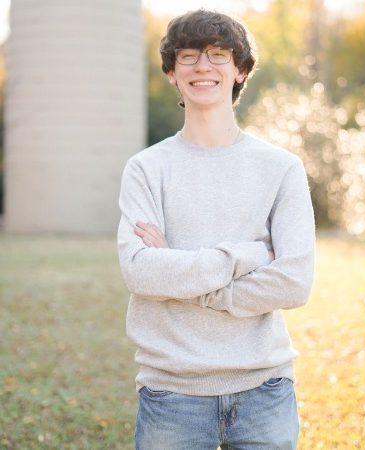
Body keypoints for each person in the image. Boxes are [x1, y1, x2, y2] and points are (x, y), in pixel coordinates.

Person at [117, 8, 316, 450]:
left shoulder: (281, 168)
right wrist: (248, 256)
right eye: (188, 56)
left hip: (264, 390)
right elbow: (141, 272)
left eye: (218, 55)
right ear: (172, 73)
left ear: (240, 70)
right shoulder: (146, 169)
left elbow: (294, 282)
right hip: (171, 392)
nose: (202, 66)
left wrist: (187, 280)